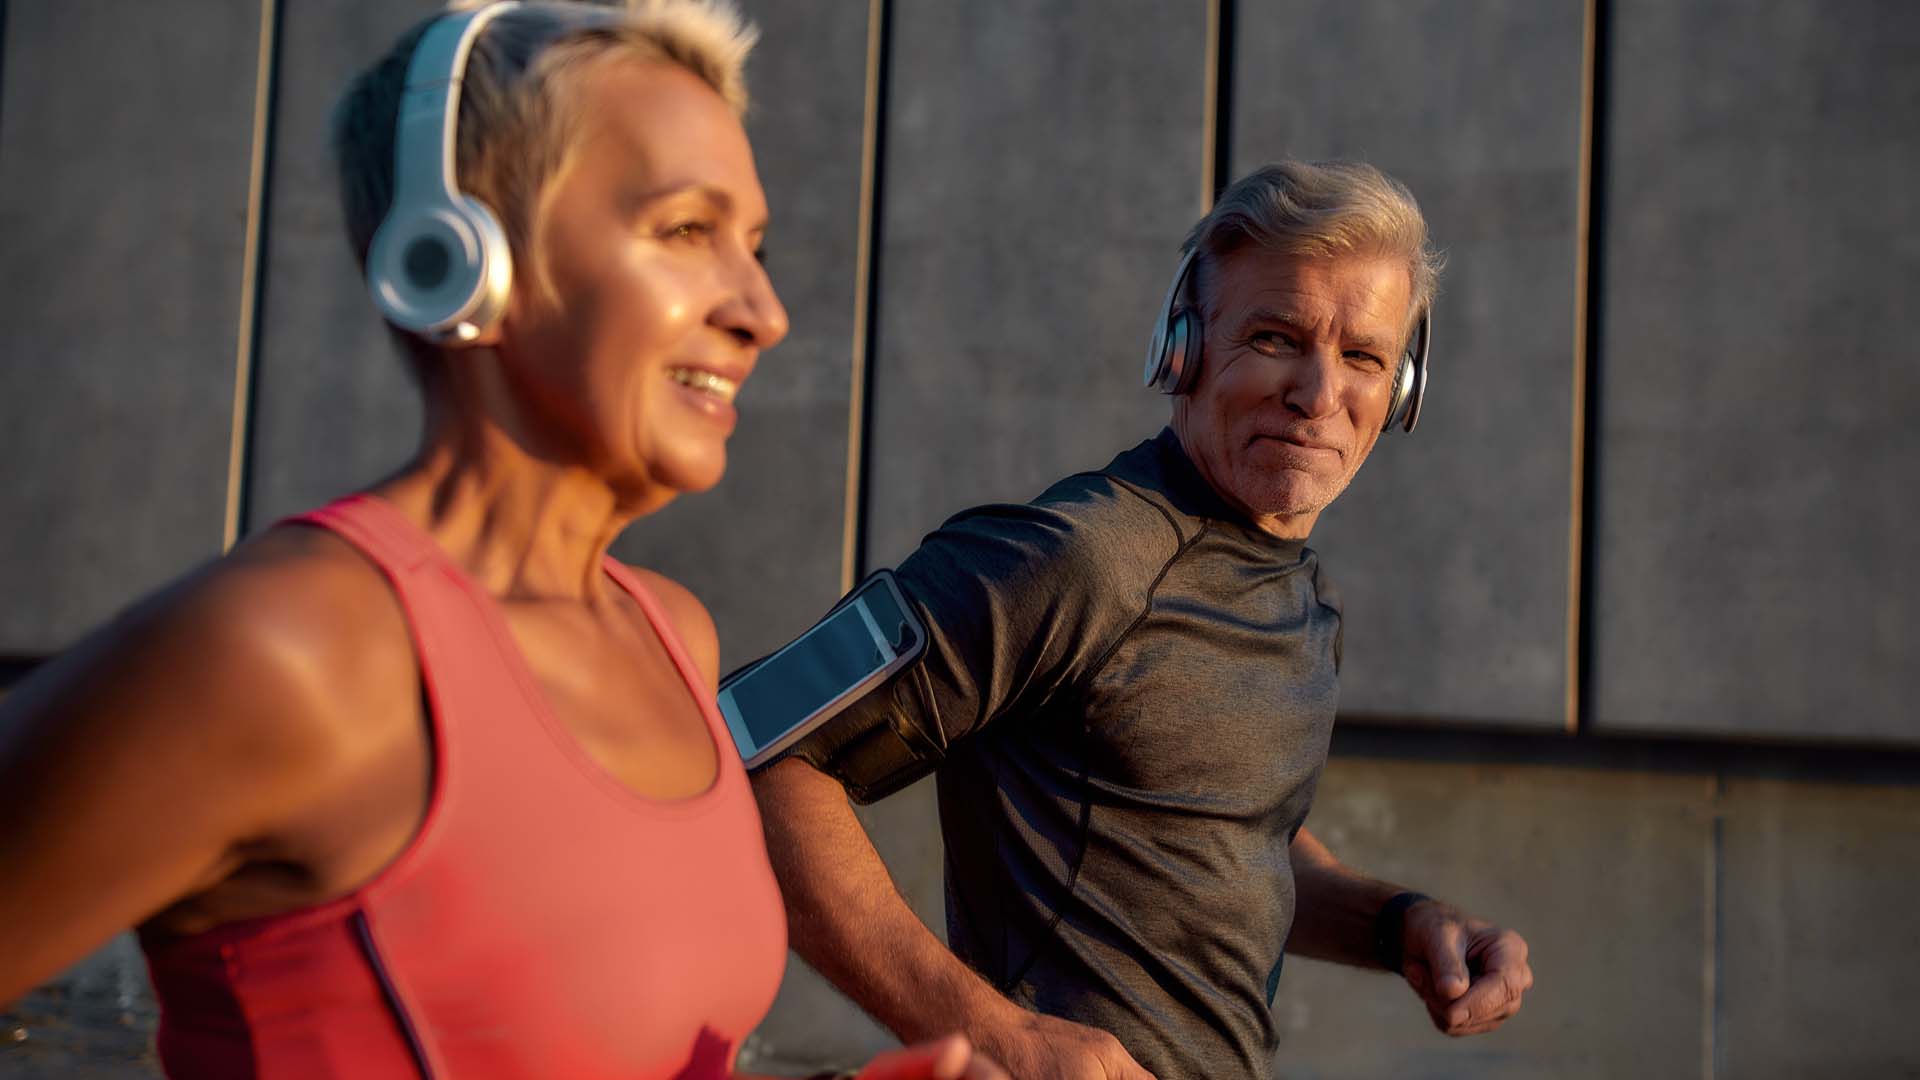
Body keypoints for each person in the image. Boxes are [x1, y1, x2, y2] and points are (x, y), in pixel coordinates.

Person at [0, 3, 1000, 1077]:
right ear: (462, 255)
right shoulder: (289, 652)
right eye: (685, 230)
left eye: (753, 246)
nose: (763, 310)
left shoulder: (673, 639)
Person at [751, 160, 1535, 1079]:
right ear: (1183, 348)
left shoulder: (1303, 596)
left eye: (1363, 357)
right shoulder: (1078, 556)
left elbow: (1227, 848)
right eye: (1275, 338)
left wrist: (1403, 924)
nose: (1319, 393)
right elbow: (760, 755)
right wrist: (993, 1033)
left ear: (1401, 390)